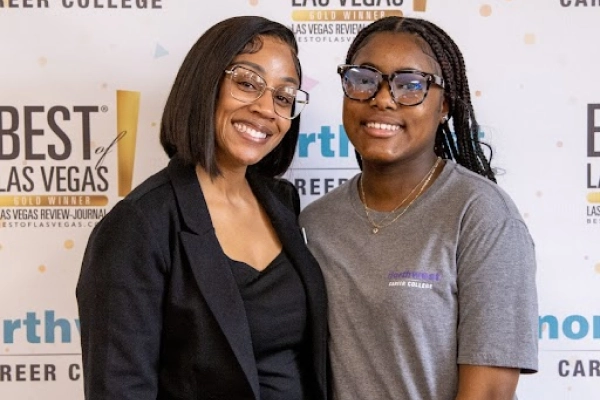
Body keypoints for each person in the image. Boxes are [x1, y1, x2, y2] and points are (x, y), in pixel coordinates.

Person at [76, 16, 328, 400]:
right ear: (206, 83)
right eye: (247, 83)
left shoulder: (283, 202)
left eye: (283, 96)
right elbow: (119, 388)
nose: (266, 108)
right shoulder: (138, 225)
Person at [299, 16, 538, 400]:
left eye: (410, 85)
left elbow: (490, 391)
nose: (381, 98)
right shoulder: (315, 222)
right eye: (364, 79)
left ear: (444, 105)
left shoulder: (481, 216)